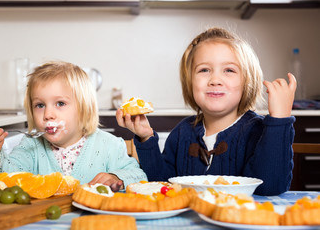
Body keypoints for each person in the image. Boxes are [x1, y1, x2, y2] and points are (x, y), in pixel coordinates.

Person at [116, 27, 297, 196]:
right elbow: (162, 184)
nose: (215, 79)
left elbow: (270, 188)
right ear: (190, 82)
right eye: (204, 70)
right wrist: (146, 138)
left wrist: (279, 120)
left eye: (229, 70)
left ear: (247, 80)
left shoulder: (259, 131)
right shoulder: (182, 132)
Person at [0, 61, 147, 191]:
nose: (47, 114)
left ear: (84, 109)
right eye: (40, 105)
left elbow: (139, 176)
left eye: (60, 103)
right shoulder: (30, 146)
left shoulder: (110, 145)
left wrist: (115, 177)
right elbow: (6, 179)